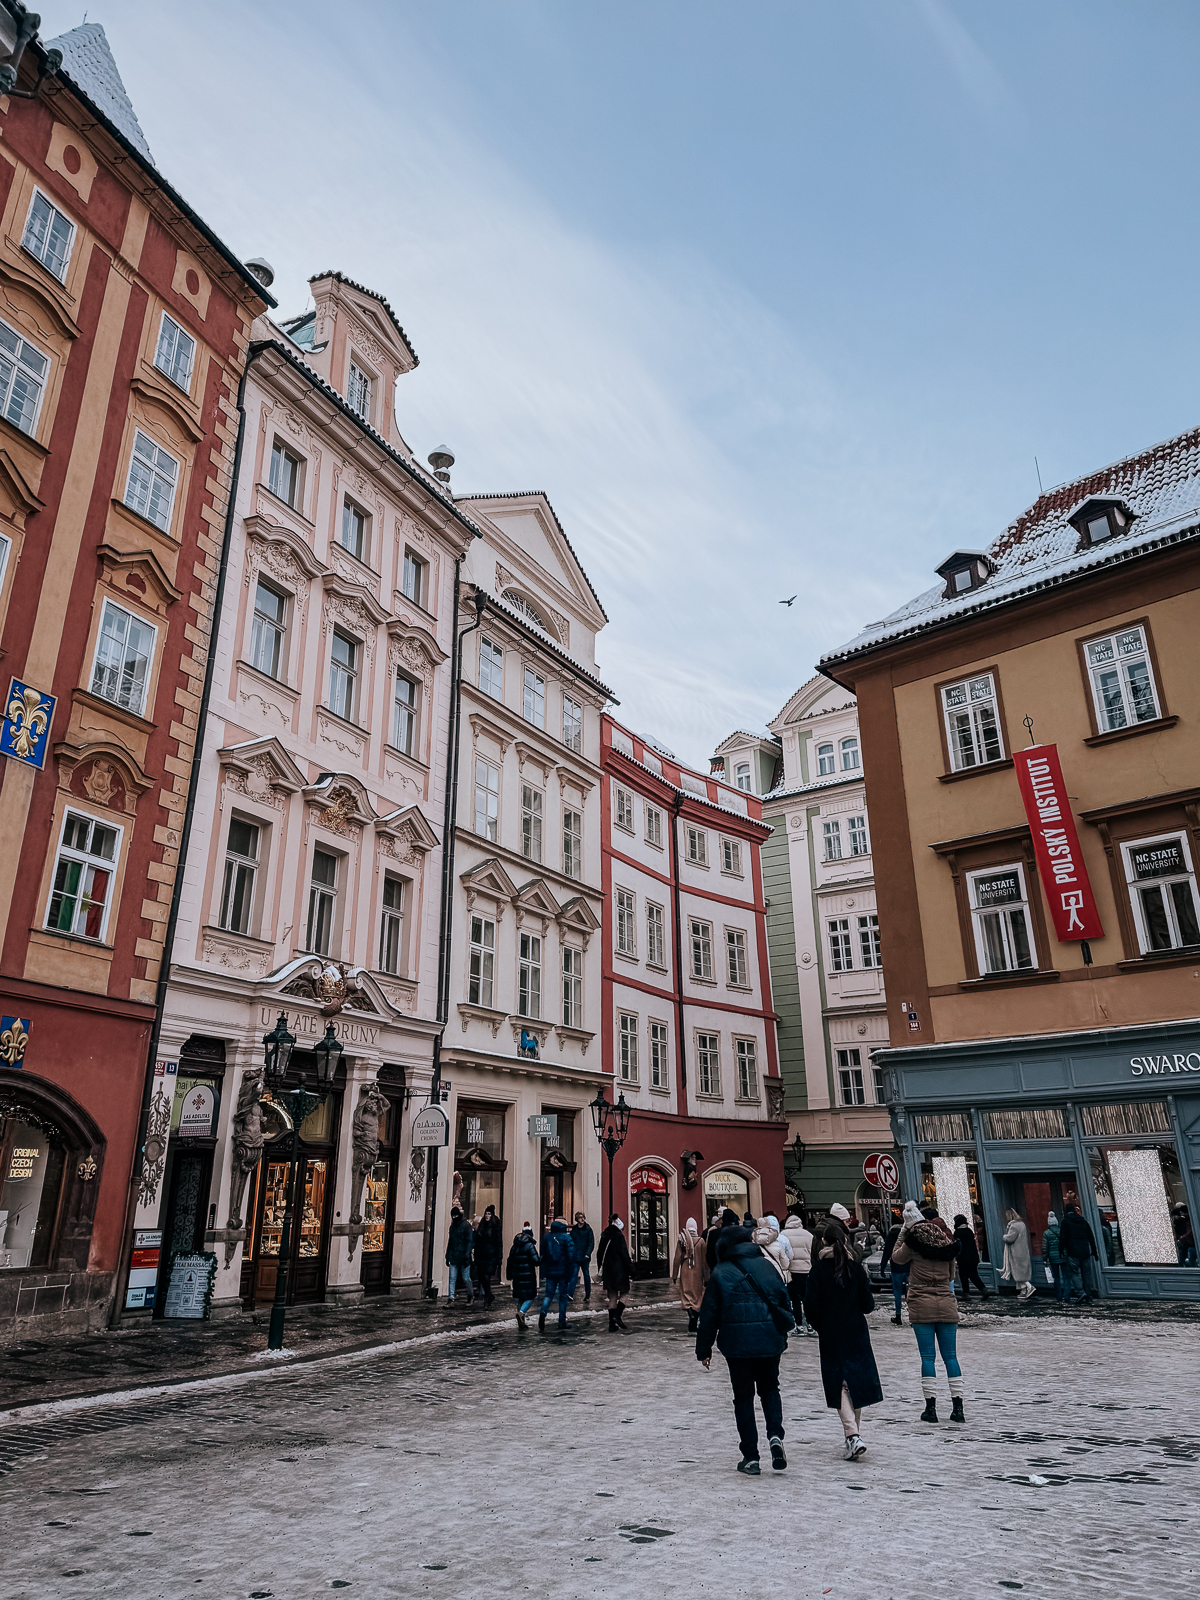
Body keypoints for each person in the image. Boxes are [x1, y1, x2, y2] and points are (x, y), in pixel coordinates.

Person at [695, 1224, 795, 1474]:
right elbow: (784, 1299)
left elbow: (709, 1314)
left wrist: (703, 1349)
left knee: (743, 1398)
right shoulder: (767, 1265)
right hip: (769, 1340)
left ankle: (750, 1456)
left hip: (736, 1344)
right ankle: (775, 1436)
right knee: (771, 1389)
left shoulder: (721, 1272)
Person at [804, 1223, 882, 1460]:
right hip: (855, 1331)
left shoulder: (818, 1270)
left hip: (831, 1333)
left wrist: (822, 1325)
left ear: (824, 1242)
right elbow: (868, 1304)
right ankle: (853, 1435)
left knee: (840, 1383)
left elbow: (810, 1307)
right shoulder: (855, 1268)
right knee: (854, 1381)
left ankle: (852, 1435)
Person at [891, 1207, 966, 1423]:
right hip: (946, 1303)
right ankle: (958, 1408)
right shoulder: (946, 1242)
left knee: (927, 1357)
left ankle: (930, 1409)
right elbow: (952, 1274)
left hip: (921, 1303)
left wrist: (903, 1233)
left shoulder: (912, 1244)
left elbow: (897, 1258)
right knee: (951, 1356)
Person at [539, 1215, 576, 1331]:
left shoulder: (547, 1237)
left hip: (550, 1271)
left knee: (548, 1295)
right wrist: (570, 1272)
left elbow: (543, 1254)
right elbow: (571, 1256)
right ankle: (561, 1321)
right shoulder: (566, 1238)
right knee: (562, 1297)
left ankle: (542, 1314)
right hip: (563, 1272)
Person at [597, 1212, 633, 1332]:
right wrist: (632, 1270)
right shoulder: (619, 1237)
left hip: (608, 1271)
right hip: (620, 1271)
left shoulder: (604, 1235)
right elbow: (624, 1256)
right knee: (625, 1293)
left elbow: (599, 1254)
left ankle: (611, 1325)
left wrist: (601, 1269)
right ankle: (617, 1315)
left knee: (612, 1297)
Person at [672, 1217, 707, 1332]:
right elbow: (704, 1261)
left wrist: (674, 1274)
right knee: (697, 1296)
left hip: (686, 1271)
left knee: (686, 1294)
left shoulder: (682, 1240)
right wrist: (706, 1276)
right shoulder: (701, 1241)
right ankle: (695, 1318)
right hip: (698, 1272)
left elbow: (677, 1258)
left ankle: (690, 1314)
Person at [1059, 1202, 1099, 1303]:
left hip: (1073, 1251)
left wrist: (1061, 1250)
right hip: (1085, 1251)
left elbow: (1063, 1237)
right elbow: (1091, 1237)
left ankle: (1080, 1293)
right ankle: (1088, 1295)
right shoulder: (1083, 1221)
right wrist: (1094, 1251)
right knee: (1086, 1274)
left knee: (1075, 1273)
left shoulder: (1065, 1222)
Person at [782, 1208, 813, 1332]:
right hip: (806, 1270)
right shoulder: (808, 1234)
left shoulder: (783, 1235)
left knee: (795, 1300)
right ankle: (810, 1324)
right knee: (807, 1299)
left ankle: (799, 1325)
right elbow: (812, 1253)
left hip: (792, 1271)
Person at [506, 1222, 540, 1330]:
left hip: (517, 1276)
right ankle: (521, 1313)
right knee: (530, 1296)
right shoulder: (529, 1245)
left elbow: (509, 1260)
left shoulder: (515, 1245)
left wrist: (509, 1274)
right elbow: (536, 1261)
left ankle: (522, 1322)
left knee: (521, 1298)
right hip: (528, 1276)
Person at [953, 1212, 990, 1301]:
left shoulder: (958, 1232)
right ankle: (983, 1289)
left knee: (964, 1276)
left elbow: (957, 1246)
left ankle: (967, 1293)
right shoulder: (969, 1231)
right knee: (973, 1274)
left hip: (963, 1258)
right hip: (973, 1257)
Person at [881, 1208, 908, 1325]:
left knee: (897, 1293)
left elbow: (886, 1252)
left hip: (896, 1268)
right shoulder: (906, 1234)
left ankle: (898, 1316)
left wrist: (882, 1266)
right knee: (911, 1293)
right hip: (908, 1267)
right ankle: (913, 1316)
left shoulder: (891, 1235)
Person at [472, 1204, 502, 1307]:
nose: (487, 1216)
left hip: (491, 1256)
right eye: (486, 1213)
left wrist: (499, 1258)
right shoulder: (482, 1225)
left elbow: (499, 1243)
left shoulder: (495, 1226)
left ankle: (487, 1299)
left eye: (489, 1214)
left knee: (486, 1277)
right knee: (481, 1277)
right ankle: (489, 1295)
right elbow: (476, 1240)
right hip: (481, 1256)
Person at [1001, 1208, 1035, 1300]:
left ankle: (1029, 1286)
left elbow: (1009, 1238)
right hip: (1023, 1251)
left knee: (1018, 1272)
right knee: (1021, 1271)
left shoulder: (1014, 1226)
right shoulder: (1022, 1224)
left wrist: (1004, 1236)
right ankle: (1023, 1291)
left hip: (1016, 1252)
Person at [444, 1207, 474, 1304]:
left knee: (466, 1278)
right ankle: (451, 1298)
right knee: (452, 1278)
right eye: (453, 1216)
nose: (454, 1217)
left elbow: (469, 1242)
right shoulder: (453, 1226)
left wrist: (466, 1255)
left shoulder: (465, 1226)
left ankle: (470, 1294)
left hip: (462, 1256)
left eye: (455, 1215)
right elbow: (450, 1242)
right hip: (454, 1255)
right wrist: (447, 1255)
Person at [752, 1215, 791, 1282]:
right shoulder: (779, 1244)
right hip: (777, 1276)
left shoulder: (753, 1244)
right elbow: (785, 1264)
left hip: (760, 1278)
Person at [569, 1211, 595, 1303]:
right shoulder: (574, 1230)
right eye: (580, 1217)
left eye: (583, 1217)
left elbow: (591, 1243)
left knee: (586, 1276)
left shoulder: (588, 1229)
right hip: (576, 1256)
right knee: (574, 1275)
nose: (582, 1219)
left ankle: (587, 1295)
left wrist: (588, 1253)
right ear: (577, 1219)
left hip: (585, 1257)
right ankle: (570, 1294)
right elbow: (571, 1241)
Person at [705, 1208, 739, 1273]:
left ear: (722, 1220)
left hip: (716, 1270)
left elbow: (709, 1255)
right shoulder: (737, 1234)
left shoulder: (713, 1233)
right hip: (734, 1272)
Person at [1041, 1211, 1065, 1301]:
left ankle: (1058, 1295)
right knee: (1066, 1276)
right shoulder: (1062, 1231)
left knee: (1056, 1277)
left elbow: (1045, 1247)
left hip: (1053, 1258)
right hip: (1063, 1256)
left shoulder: (1046, 1233)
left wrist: (1045, 1258)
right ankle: (1067, 1295)